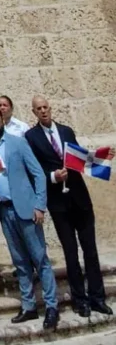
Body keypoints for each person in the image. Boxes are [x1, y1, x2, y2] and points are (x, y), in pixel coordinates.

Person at [26, 95, 113, 317]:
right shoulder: (31, 137)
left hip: (80, 199)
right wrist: (53, 176)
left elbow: (80, 158)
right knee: (71, 253)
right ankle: (80, 300)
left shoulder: (66, 131)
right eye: (39, 109)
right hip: (58, 204)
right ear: (34, 112)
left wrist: (101, 157)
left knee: (90, 251)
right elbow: (33, 171)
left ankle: (97, 298)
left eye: (46, 107)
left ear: (50, 108)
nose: (44, 111)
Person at [0, 104, 59, 330]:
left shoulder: (18, 143)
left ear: (2, 119)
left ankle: (51, 306)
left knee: (39, 258)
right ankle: (29, 306)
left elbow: (38, 174)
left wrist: (40, 205)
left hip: (26, 208)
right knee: (20, 262)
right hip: (4, 210)